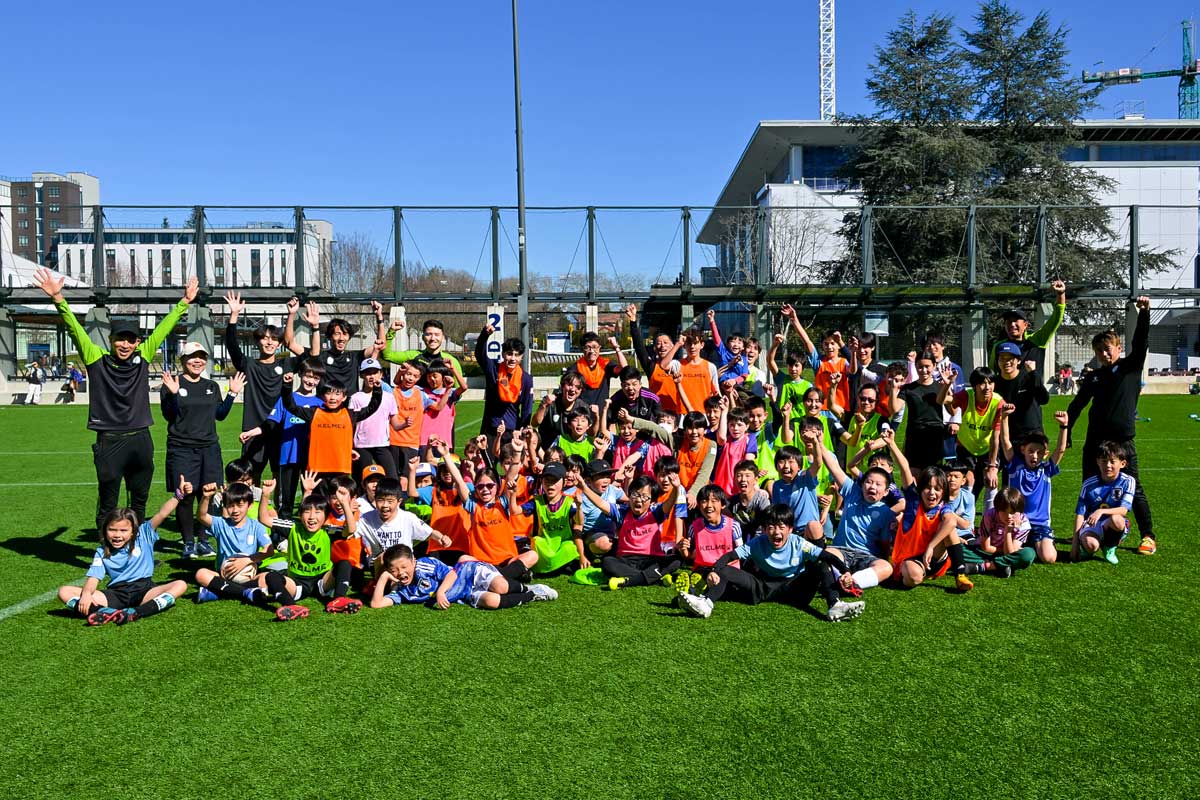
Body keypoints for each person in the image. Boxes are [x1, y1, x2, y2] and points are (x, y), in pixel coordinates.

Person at [33, 268, 198, 528]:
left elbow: (163, 330)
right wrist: (58, 300)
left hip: (141, 439)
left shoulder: (143, 355)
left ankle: (135, 550)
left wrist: (184, 303)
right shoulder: (95, 357)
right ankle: (104, 552)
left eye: (130, 340)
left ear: (137, 342)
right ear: (111, 340)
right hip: (109, 441)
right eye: (120, 339)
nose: (125, 345)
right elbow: (75, 329)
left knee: (139, 501)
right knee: (108, 502)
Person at [1066, 296, 1155, 555]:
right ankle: (1087, 535)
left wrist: (1145, 313)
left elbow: (1141, 343)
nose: (1105, 354)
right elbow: (1077, 405)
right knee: (1089, 488)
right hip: (1095, 443)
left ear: (1118, 348)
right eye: (1099, 351)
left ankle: (1148, 536)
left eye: (1108, 349)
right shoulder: (1094, 377)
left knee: (1134, 487)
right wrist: (1067, 429)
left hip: (1122, 442)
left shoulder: (1130, 367)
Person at [676, 504, 864, 622]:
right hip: (762, 588)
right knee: (725, 570)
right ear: (765, 529)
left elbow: (828, 556)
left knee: (820, 564)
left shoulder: (799, 543)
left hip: (795, 590)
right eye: (771, 527)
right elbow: (729, 556)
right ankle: (706, 604)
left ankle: (834, 606)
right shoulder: (758, 543)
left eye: (782, 527)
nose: (776, 532)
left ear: (790, 529)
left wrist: (846, 570)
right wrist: (715, 571)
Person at [159, 341, 245, 558]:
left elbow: (220, 415)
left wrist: (232, 394)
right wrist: (173, 394)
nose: (197, 361)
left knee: (208, 494)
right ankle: (188, 543)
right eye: (192, 357)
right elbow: (169, 415)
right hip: (182, 449)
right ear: (183, 360)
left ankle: (204, 540)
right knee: (185, 496)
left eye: (201, 357)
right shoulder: (173, 383)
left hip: (209, 448)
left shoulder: (211, 386)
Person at [57, 491, 190, 626]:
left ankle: (136, 612)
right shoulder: (102, 551)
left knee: (180, 585)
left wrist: (178, 496)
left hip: (145, 591)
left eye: (123, 531)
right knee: (64, 591)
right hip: (116, 594)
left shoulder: (144, 535)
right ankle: (104, 611)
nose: (117, 535)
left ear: (133, 531)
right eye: (112, 529)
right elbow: (93, 578)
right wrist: (86, 594)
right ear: (104, 530)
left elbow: (162, 513)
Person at [241, 357, 325, 521]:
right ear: (300, 374)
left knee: (312, 499)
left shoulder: (321, 403)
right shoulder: (286, 399)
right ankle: (283, 534)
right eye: (308, 376)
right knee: (286, 500)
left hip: (311, 459)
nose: (311, 381)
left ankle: (309, 529)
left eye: (316, 378)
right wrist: (253, 432)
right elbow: (271, 423)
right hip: (288, 456)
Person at [224, 291, 296, 483]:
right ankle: (249, 512)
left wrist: (292, 316)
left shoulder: (286, 365)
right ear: (257, 342)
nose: (269, 341)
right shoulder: (249, 365)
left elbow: (311, 355)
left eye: (273, 338)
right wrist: (234, 315)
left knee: (278, 477)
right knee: (248, 477)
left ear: (280, 343)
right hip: (252, 431)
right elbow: (232, 346)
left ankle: (278, 512)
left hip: (280, 430)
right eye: (264, 337)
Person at [369, 544, 557, 610]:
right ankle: (533, 594)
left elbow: (451, 573)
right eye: (394, 570)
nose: (400, 573)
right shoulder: (402, 591)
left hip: (469, 573)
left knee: (500, 586)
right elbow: (376, 604)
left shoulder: (425, 564)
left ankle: (528, 587)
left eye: (404, 567)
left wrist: (441, 592)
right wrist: (384, 577)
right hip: (465, 594)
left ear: (413, 561)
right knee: (492, 601)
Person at [580, 473, 683, 590]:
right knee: (607, 562)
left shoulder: (656, 512)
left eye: (645, 497)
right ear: (629, 496)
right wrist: (584, 487)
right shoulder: (622, 512)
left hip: (651, 559)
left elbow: (670, 502)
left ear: (652, 501)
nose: (638, 500)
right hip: (626, 560)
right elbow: (601, 503)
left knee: (676, 560)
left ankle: (629, 580)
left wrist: (676, 488)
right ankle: (655, 577)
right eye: (635, 494)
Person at [279, 371, 383, 481]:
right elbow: (291, 406)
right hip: (317, 470)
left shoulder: (349, 415)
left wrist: (377, 390)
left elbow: (372, 408)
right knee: (318, 499)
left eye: (337, 394)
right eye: (329, 393)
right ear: (323, 396)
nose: (332, 398)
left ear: (344, 397)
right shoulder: (314, 413)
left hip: (340, 469)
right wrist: (287, 385)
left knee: (338, 498)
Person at [1000, 410, 1069, 564]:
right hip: (1018, 521)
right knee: (1012, 554)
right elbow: (1005, 441)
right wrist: (1004, 418)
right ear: (1023, 450)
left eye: (1039, 452)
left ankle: (1039, 542)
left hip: (1040, 524)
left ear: (1045, 454)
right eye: (1031, 451)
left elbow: (1061, 450)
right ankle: (1030, 544)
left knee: (1049, 558)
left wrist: (1064, 426)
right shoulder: (1015, 465)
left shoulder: (1046, 470)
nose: (1035, 456)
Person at [193, 480, 273, 603]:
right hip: (223, 575)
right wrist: (206, 497)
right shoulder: (221, 524)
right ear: (225, 506)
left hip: (249, 575)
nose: (235, 510)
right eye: (230, 505)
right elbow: (202, 516)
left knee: (267, 578)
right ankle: (245, 592)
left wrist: (247, 560)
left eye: (240, 505)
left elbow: (269, 550)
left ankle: (218, 593)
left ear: (250, 505)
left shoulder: (256, 526)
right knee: (201, 574)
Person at [284, 299, 386, 390]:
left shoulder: (355, 357)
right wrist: (292, 314)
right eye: (337, 334)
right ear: (329, 337)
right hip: (325, 408)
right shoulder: (318, 356)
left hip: (349, 409)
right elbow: (290, 344)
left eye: (345, 334)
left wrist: (379, 317)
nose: (341, 338)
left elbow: (381, 344)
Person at [1072, 441, 1136, 565]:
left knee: (1118, 520)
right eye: (1104, 461)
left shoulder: (1128, 481)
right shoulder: (1088, 484)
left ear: (1122, 464)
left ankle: (1109, 547)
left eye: (1113, 461)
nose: (1108, 465)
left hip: (1112, 522)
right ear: (1097, 462)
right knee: (1091, 546)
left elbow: (1124, 510)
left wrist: (1101, 511)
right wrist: (1075, 544)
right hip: (1092, 524)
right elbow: (1080, 513)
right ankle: (1088, 545)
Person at [888, 351, 949, 472]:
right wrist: (893, 390)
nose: (924, 370)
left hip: (935, 434)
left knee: (932, 475)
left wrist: (948, 387)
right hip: (915, 436)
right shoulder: (908, 388)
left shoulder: (940, 387)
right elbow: (894, 409)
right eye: (920, 367)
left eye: (927, 366)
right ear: (915, 366)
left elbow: (951, 407)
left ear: (934, 366)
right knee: (914, 474)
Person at [989, 279, 1067, 370]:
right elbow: (992, 372)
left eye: (1016, 320)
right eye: (1008, 321)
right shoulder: (998, 345)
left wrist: (1061, 294)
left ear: (1026, 325)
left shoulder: (1037, 340)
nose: (1012, 324)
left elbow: (1056, 319)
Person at [476, 323, 533, 440]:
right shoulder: (493, 369)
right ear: (503, 354)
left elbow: (527, 408)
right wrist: (485, 335)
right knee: (489, 459)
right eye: (509, 354)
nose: (513, 358)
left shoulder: (526, 379)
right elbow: (479, 354)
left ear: (521, 357)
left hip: (512, 432)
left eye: (517, 355)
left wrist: (522, 428)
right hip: (491, 429)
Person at [625, 304, 684, 415]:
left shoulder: (680, 365)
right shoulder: (652, 366)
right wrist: (633, 321)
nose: (662, 346)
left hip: (677, 414)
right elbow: (639, 347)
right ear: (654, 348)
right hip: (657, 413)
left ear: (673, 346)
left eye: (666, 343)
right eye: (658, 343)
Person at [381, 317, 467, 391]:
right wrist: (391, 331)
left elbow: (458, 389)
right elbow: (387, 355)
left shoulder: (452, 361)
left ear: (443, 337)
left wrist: (446, 405)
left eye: (437, 334)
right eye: (428, 334)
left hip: (439, 407)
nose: (433, 338)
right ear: (422, 337)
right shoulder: (413, 356)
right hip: (416, 408)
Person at [350, 358, 401, 479]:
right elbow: (351, 423)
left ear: (381, 374)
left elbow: (395, 424)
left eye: (374, 372)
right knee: (362, 479)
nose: (371, 376)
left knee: (391, 477)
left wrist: (405, 424)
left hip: (381, 444)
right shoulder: (355, 398)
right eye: (368, 373)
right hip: (361, 445)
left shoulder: (389, 397)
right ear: (362, 375)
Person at [993, 341, 1051, 443]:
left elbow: (1044, 399)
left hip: (1031, 436)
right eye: (1002, 358)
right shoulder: (995, 384)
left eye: (1010, 358)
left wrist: (1033, 373)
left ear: (1018, 361)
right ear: (997, 361)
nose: (1006, 362)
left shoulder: (1029, 378)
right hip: (1006, 436)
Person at [575, 332, 626, 408]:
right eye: (588, 347)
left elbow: (624, 367)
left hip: (602, 413)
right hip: (583, 414)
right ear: (583, 349)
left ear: (599, 348)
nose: (592, 351)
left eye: (595, 347)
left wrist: (616, 347)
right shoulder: (576, 368)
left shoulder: (605, 365)